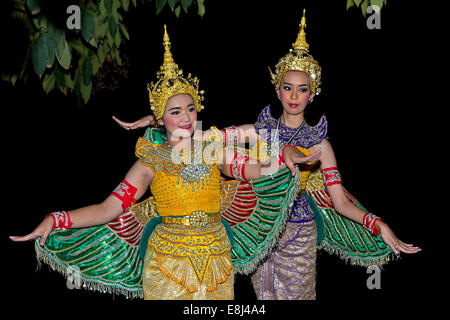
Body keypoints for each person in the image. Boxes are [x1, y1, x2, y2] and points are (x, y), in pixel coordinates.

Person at [114, 11, 421, 300]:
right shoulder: (259, 131)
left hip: (299, 234)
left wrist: (378, 223)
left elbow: (339, 202)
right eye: (288, 88)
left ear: (313, 94)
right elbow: (197, 135)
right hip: (261, 231)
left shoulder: (320, 146)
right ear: (278, 90)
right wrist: (156, 118)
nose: (294, 96)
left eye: (303, 90)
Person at [9, 25, 318, 300]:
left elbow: (252, 170)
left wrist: (283, 156)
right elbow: (108, 209)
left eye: (190, 108)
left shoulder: (210, 148)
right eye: (175, 112)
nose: (186, 118)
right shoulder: (149, 161)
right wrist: (56, 219)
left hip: (216, 259)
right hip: (167, 264)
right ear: (160, 118)